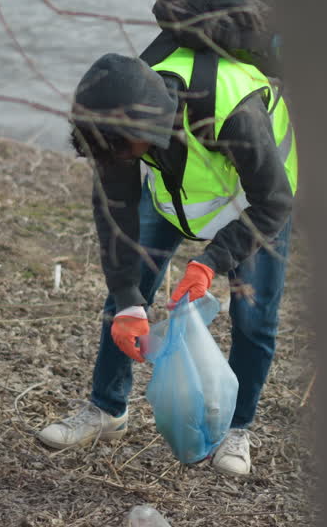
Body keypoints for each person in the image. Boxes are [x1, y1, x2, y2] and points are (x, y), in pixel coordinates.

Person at [37, 39, 298, 477]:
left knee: (254, 317)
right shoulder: (119, 118)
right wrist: (128, 302)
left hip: (258, 201)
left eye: (123, 153)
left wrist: (210, 262)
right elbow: (116, 216)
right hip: (177, 201)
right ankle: (106, 409)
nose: (118, 162)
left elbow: (273, 203)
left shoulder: (232, 111)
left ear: (148, 127)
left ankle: (236, 429)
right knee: (127, 289)